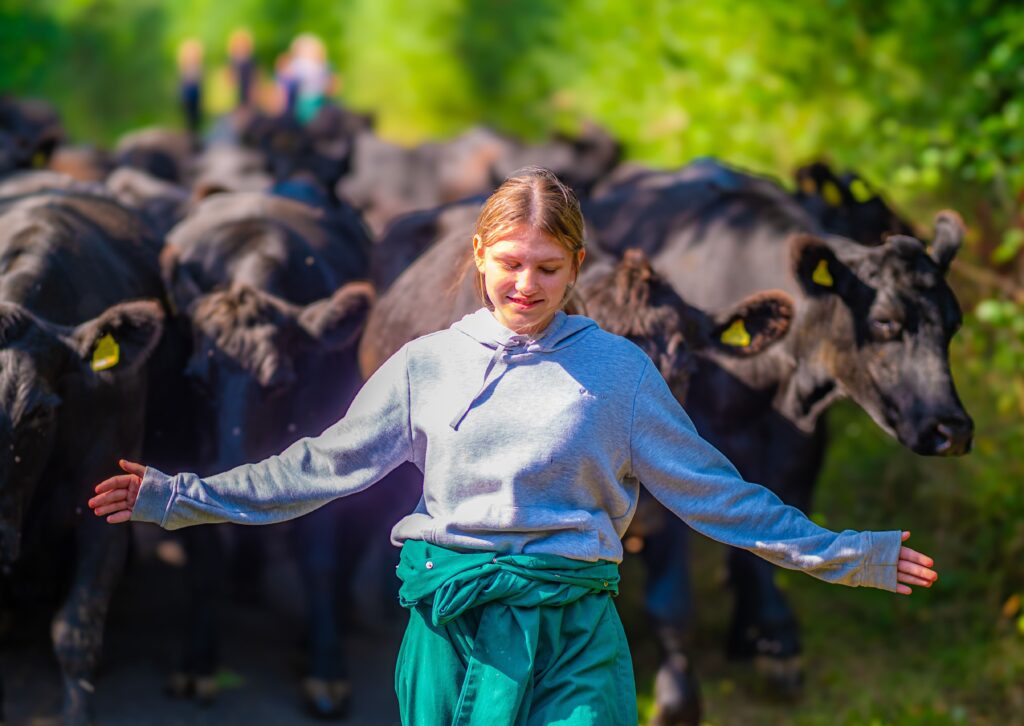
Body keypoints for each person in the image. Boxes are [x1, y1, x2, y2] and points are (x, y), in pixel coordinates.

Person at [90, 167, 937, 725]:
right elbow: (319, 466)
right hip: (449, 629)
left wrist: (849, 553)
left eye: (546, 267)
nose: (524, 285)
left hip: (574, 630)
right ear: (479, 256)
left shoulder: (620, 372)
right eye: (509, 262)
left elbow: (720, 494)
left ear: (575, 269)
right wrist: (178, 496)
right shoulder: (427, 363)